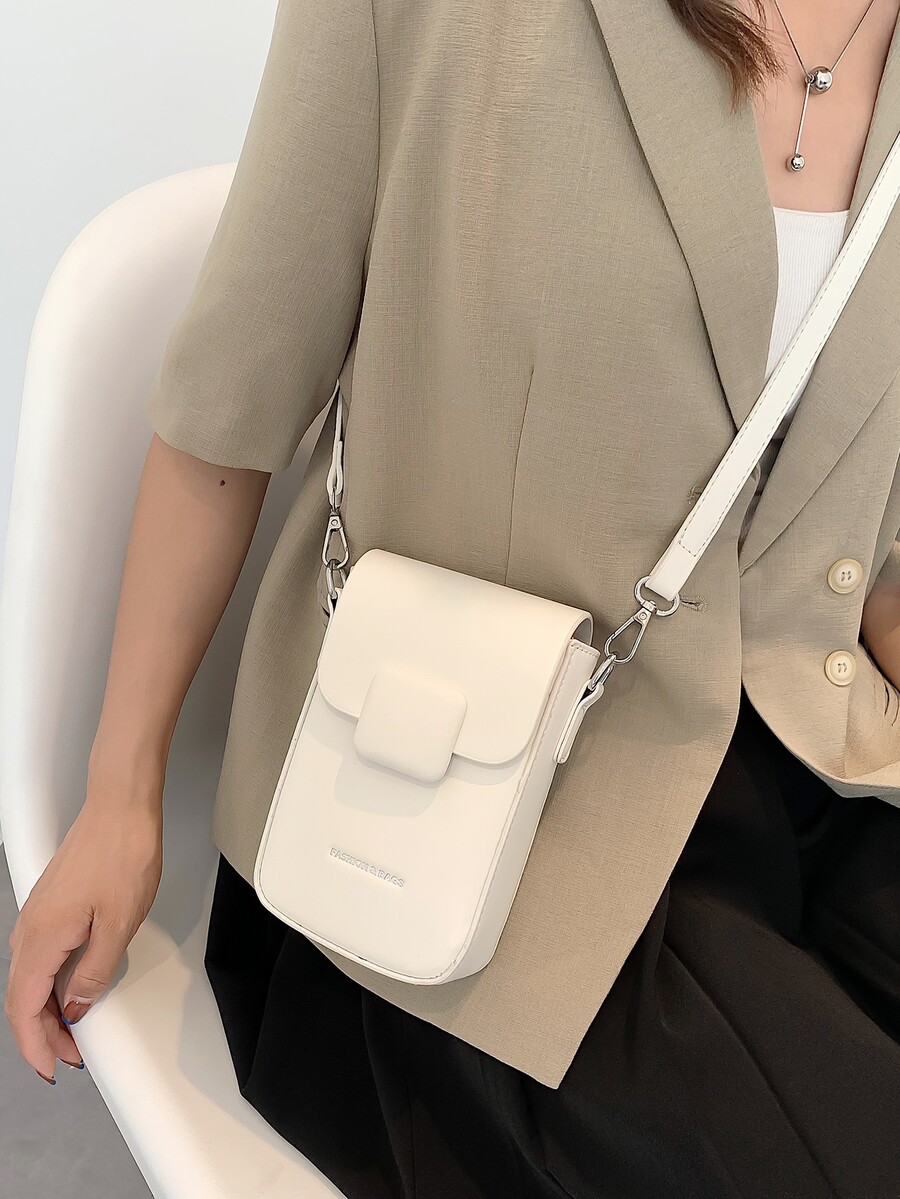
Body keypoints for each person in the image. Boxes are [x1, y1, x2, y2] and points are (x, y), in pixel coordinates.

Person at [7, 0, 900, 1194]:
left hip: (805, 769)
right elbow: (231, 407)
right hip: (454, 832)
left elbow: (865, 534)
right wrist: (119, 798)